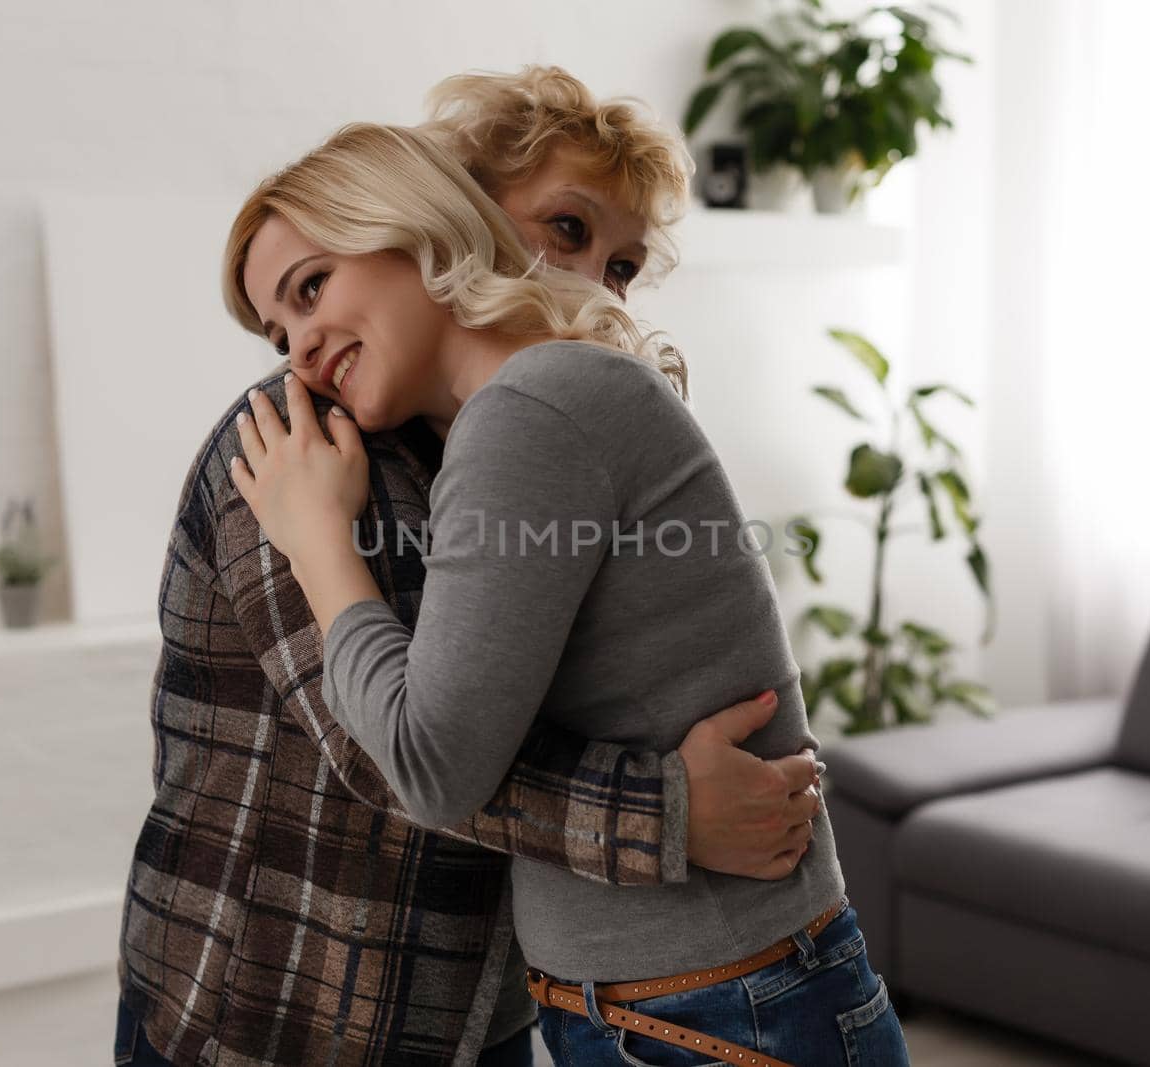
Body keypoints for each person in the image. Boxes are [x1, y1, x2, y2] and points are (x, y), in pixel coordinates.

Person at [118, 68, 824, 1067]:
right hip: (276, 1016)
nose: (585, 280)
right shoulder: (289, 450)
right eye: (564, 228)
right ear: (448, 203)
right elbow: (393, 756)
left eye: (622, 263)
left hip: (483, 1010)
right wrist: (668, 812)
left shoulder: (535, 420)